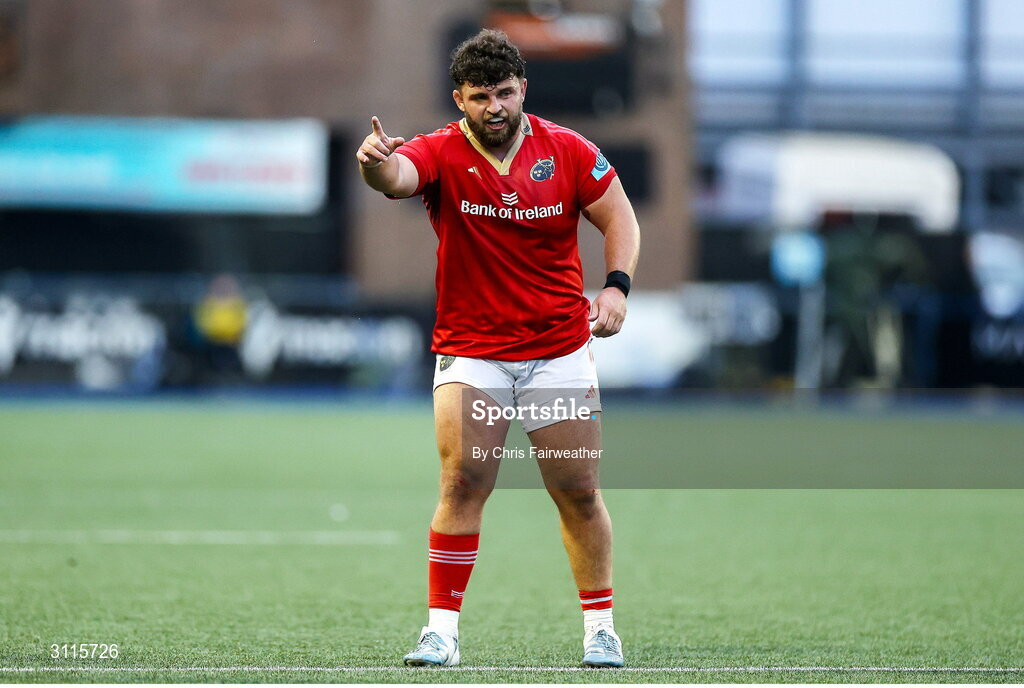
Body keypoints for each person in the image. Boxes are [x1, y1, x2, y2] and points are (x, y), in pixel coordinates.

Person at [356, 29, 640, 668]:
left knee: (578, 491)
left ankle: (601, 628)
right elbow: (397, 180)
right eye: (481, 95)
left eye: (505, 93)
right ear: (459, 98)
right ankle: (440, 632)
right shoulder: (438, 152)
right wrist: (375, 161)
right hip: (473, 351)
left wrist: (617, 288)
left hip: (559, 350)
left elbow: (619, 216)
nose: (495, 107)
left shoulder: (567, 150)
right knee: (462, 483)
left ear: (523, 91)